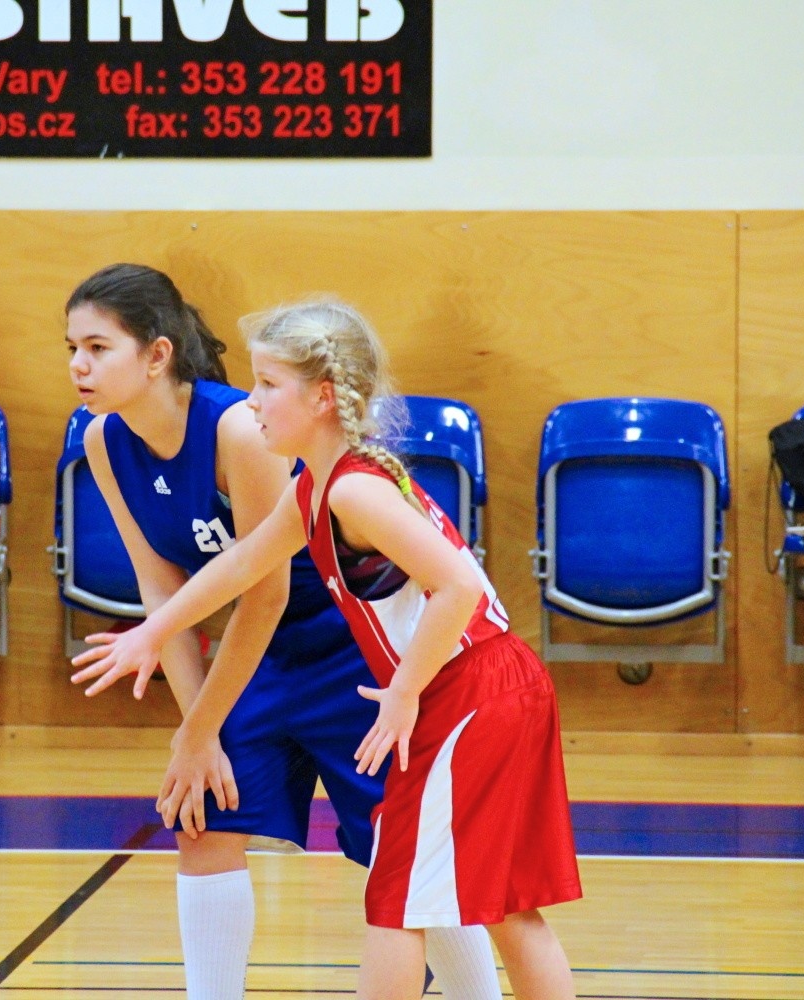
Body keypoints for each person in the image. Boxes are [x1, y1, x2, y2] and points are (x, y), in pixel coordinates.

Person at [73, 298, 583, 1000]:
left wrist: (403, 692)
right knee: (502, 907)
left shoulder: (355, 493)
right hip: (490, 689)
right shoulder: (316, 488)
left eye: (267, 385)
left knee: (400, 904)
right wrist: (151, 632)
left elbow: (460, 588)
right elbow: (240, 565)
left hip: (470, 692)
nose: (251, 402)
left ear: (320, 397)